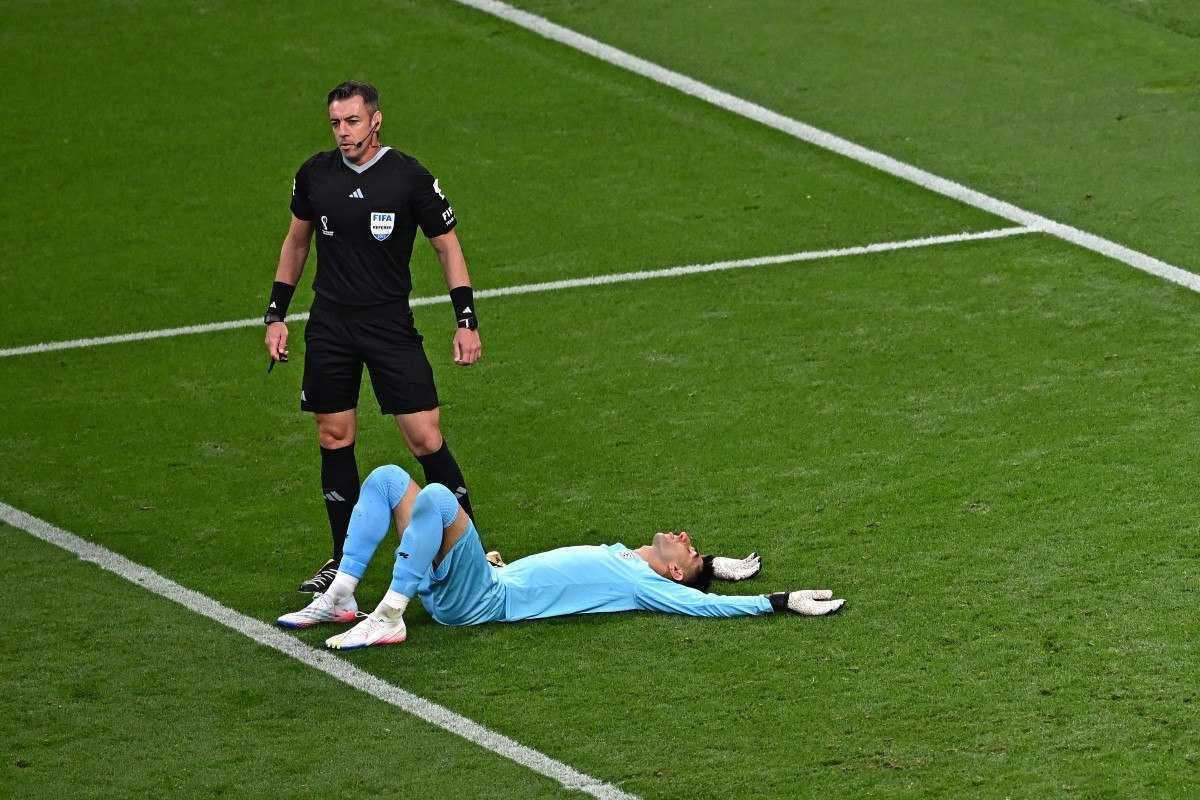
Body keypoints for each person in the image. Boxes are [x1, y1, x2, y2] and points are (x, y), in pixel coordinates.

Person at [263, 80, 482, 594]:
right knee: (333, 436)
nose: (343, 132)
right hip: (331, 325)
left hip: (388, 325)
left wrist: (466, 319)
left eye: (352, 121)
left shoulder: (409, 177)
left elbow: (447, 247)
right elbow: (296, 243)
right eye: (335, 123)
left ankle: (473, 551)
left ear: (375, 120)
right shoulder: (314, 175)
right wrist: (276, 313)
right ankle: (342, 563)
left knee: (424, 436)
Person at [276, 465, 846, 649]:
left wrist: (777, 601)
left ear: (674, 571)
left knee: (440, 498)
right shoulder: (626, 557)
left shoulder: (643, 585)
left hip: (479, 600)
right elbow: (554, 573)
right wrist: (713, 565)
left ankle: (390, 615)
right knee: (386, 479)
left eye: (690, 548)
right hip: (484, 581)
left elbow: (703, 607)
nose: (683, 534)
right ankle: (342, 595)